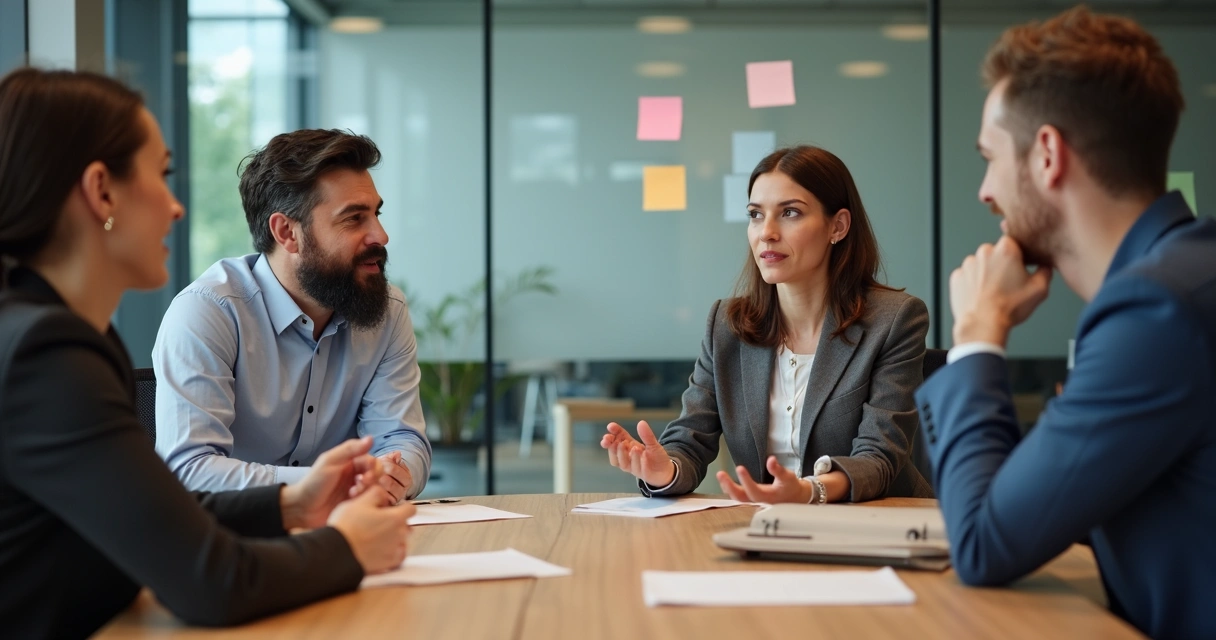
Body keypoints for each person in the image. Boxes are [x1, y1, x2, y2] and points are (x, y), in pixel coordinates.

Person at [0, 68, 416, 639]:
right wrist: (345, 548)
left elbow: (147, 517)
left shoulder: (67, 337)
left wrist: (294, 505)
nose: (176, 207)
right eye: (161, 174)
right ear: (101, 192)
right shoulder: (44, 357)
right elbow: (211, 583)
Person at [917, 7, 1216, 638]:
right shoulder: (1186, 277)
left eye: (989, 158)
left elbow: (982, 543)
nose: (984, 191)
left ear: (1047, 154)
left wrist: (977, 335)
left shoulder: (1156, 313)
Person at [602, 146, 934, 503]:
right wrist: (664, 470)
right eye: (756, 215)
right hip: (769, 526)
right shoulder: (727, 326)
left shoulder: (895, 319)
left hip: (879, 524)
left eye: (790, 213)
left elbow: (879, 457)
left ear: (837, 226)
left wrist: (809, 491)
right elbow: (690, 441)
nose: (767, 233)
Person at [152, 128, 430, 503]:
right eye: (354, 219)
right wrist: (327, 483)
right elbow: (190, 470)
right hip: (235, 544)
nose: (380, 235)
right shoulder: (209, 312)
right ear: (287, 233)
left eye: (376, 214)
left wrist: (392, 475)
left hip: (346, 534)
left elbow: (402, 438)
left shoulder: (387, 311)